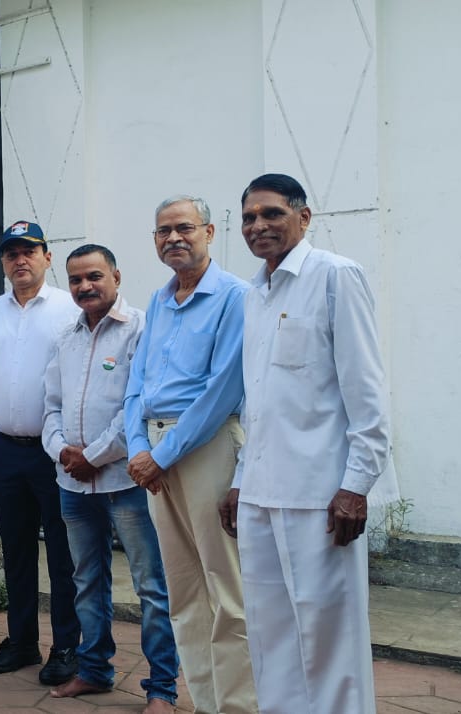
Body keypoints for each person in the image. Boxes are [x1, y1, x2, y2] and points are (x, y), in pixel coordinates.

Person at [224, 173, 396, 714]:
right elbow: (257, 400)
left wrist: (356, 486)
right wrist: (239, 480)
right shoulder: (253, 294)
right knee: (270, 634)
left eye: (271, 213)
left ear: (303, 217)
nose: (258, 225)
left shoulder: (335, 276)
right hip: (260, 495)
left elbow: (366, 392)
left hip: (321, 496)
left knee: (330, 639)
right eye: (249, 217)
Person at [124, 195, 257, 713]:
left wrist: (162, 455)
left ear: (209, 232)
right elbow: (136, 385)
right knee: (183, 590)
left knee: (228, 591)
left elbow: (223, 389)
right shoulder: (158, 301)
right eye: (163, 231)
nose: (174, 238)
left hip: (206, 448)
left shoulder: (234, 296)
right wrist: (140, 448)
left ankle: (239, 707)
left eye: (184, 227)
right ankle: (205, 703)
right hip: (155, 452)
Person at [43, 245, 178, 712]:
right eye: (76, 279)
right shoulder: (66, 336)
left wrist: (95, 456)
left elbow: (138, 406)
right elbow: (51, 405)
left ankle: (162, 687)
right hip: (73, 485)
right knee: (86, 580)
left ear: (116, 277)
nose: (85, 286)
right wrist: (60, 450)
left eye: (94, 276)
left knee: (150, 586)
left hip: (127, 481)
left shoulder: (141, 328)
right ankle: (95, 669)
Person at [0, 220, 81, 681]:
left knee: (63, 553)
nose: (20, 261)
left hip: (55, 452)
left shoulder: (70, 308)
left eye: (29, 251)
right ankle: (22, 641)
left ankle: (67, 646)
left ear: (47, 257)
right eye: (11, 253)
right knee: (15, 550)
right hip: (5, 450)